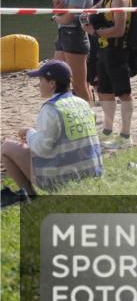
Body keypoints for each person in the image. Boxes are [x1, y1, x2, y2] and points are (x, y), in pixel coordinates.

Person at [0, 60, 103, 207]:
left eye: (41, 80)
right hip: (91, 173)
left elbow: (42, 148)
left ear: (52, 83)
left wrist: (29, 133)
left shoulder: (51, 109)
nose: (39, 84)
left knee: (6, 148)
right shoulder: (83, 104)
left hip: (63, 180)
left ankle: (31, 198)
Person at [82, 0, 136, 149]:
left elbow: (119, 30)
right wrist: (84, 16)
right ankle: (107, 131)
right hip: (104, 52)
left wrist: (95, 32)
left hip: (117, 51)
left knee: (123, 93)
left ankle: (126, 135)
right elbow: (92, 9)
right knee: (104, 91)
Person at [50, 0, 93, 101]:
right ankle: (68, 111)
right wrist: (58, 7)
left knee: (79, 85)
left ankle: (89, 119)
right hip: (63, 34)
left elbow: (69, 19)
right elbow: (65, 13)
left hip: (75, 36)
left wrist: (55, 18)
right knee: (57, 76)